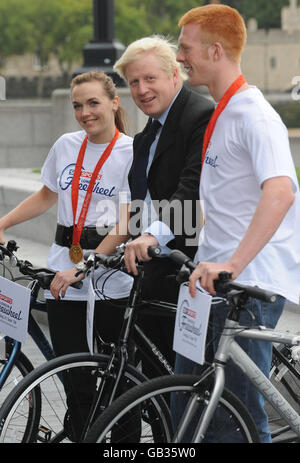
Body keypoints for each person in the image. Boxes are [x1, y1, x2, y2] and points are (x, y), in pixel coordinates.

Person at [173, 4, 300, 442]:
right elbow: (217, 203)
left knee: (235, 422)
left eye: (185, 47)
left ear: (214, 50)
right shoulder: (222, 112)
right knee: (190, 412)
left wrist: (232, 264)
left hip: (246, 286)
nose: (179, 56)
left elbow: (281, 192)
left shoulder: (254, 114)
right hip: (210, 283)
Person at [0, 70, 134, 440]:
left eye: (93, 103)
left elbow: (125, 224)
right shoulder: (65, 145)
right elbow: (47, 194)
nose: (85, 112)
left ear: (114, 102)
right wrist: (4, 222)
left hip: (108, 279)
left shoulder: (130, 152)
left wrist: (86, 267)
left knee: (116, 384)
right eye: (78, 105)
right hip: (63, 274)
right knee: (73, 379)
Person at [109, 35, 214, 376]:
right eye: (134, 82)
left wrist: (152, 236)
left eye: (149, 78)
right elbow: (140, 203)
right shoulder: (145, 137)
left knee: (187, 385)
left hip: (193, 269)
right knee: (154, 383)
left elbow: (192, 188)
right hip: (152, 270)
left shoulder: (200, 115)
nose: (141, 90)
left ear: (174, 76)